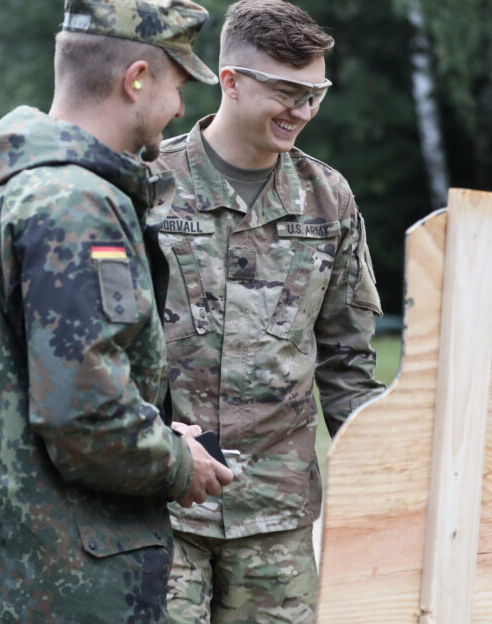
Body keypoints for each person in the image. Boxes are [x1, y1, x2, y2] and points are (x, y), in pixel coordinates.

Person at [0, 1, 234, 621]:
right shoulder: (75, 204)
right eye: (178, 85)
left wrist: (160, 430)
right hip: (50, 585)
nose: (181, 110)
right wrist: (180, 462)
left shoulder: (6, 188)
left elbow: (43, 383)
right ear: (136, 79)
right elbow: (86, 417)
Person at [154, 1, 386, 621]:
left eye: (317, 94)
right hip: (162, 504)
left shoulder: (328, 198)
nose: (304, 112)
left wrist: (392, 469)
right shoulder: (151, 184)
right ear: (230, 81)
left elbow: (347, 361)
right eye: (287, 92)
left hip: (276, 518)